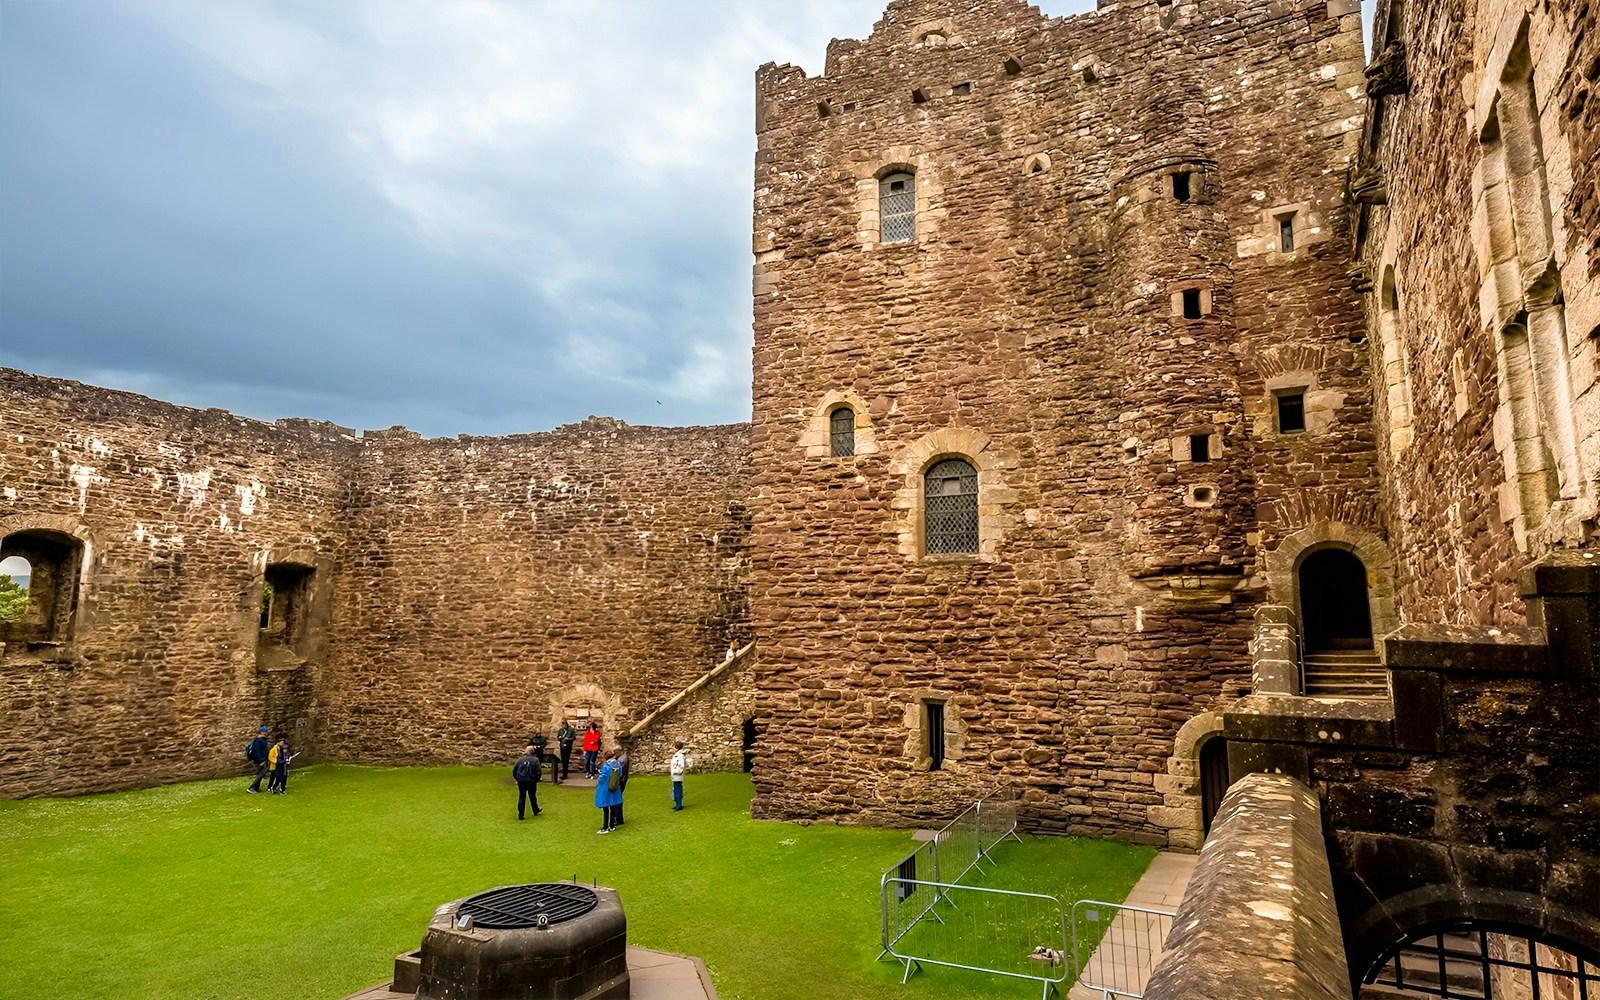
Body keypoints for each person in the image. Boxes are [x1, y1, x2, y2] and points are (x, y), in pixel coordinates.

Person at [594, 750, 622, 834]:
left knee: (605, 808)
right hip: (614, 788)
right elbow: (620, 774)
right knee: (613, 806)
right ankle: (612, 825)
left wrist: (599, 775)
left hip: (605, 789)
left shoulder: (606, 766)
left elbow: (602, 778)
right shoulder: (618, 764)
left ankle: (605, 827)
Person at [512, 744, 542, 819]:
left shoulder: (520, 760)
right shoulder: (535, 760)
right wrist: (536, 779)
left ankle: (521, 814)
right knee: (532, 795)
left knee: (522, 796)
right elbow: (538, 771)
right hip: (531, 781)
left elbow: (514, 771)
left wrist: (518, 779)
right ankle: (535, 810)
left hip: (521, 781)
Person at [245, 725, 270, 793]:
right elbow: (257, 751)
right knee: (261, 774)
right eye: (264, 732)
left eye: (266, 731)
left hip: (264, 759)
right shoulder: (258, 740)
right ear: (261, 732)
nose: (265, 733)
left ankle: (256, 788)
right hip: (260, 760)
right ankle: (252, 788)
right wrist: (260, 760)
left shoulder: (263, 740)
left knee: (261, 774)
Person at [613, 745, 631, 826]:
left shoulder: (621, 760)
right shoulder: (623, 757)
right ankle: (618, 817)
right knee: (617, 800)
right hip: (622, 781)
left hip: (620, 782)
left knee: (617, 801)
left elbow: (619, 773)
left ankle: (618, 818)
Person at [669, 740, 688, 811]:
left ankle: (678, 805)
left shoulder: (680, 756)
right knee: (676, 789)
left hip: (677, 775)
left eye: (673, 747)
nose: (672, 749)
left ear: (677, 748)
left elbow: (681, 767)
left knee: (678, 790)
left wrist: (676, 772)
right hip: (675, 776)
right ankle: (677, 804)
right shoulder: (677, 755)